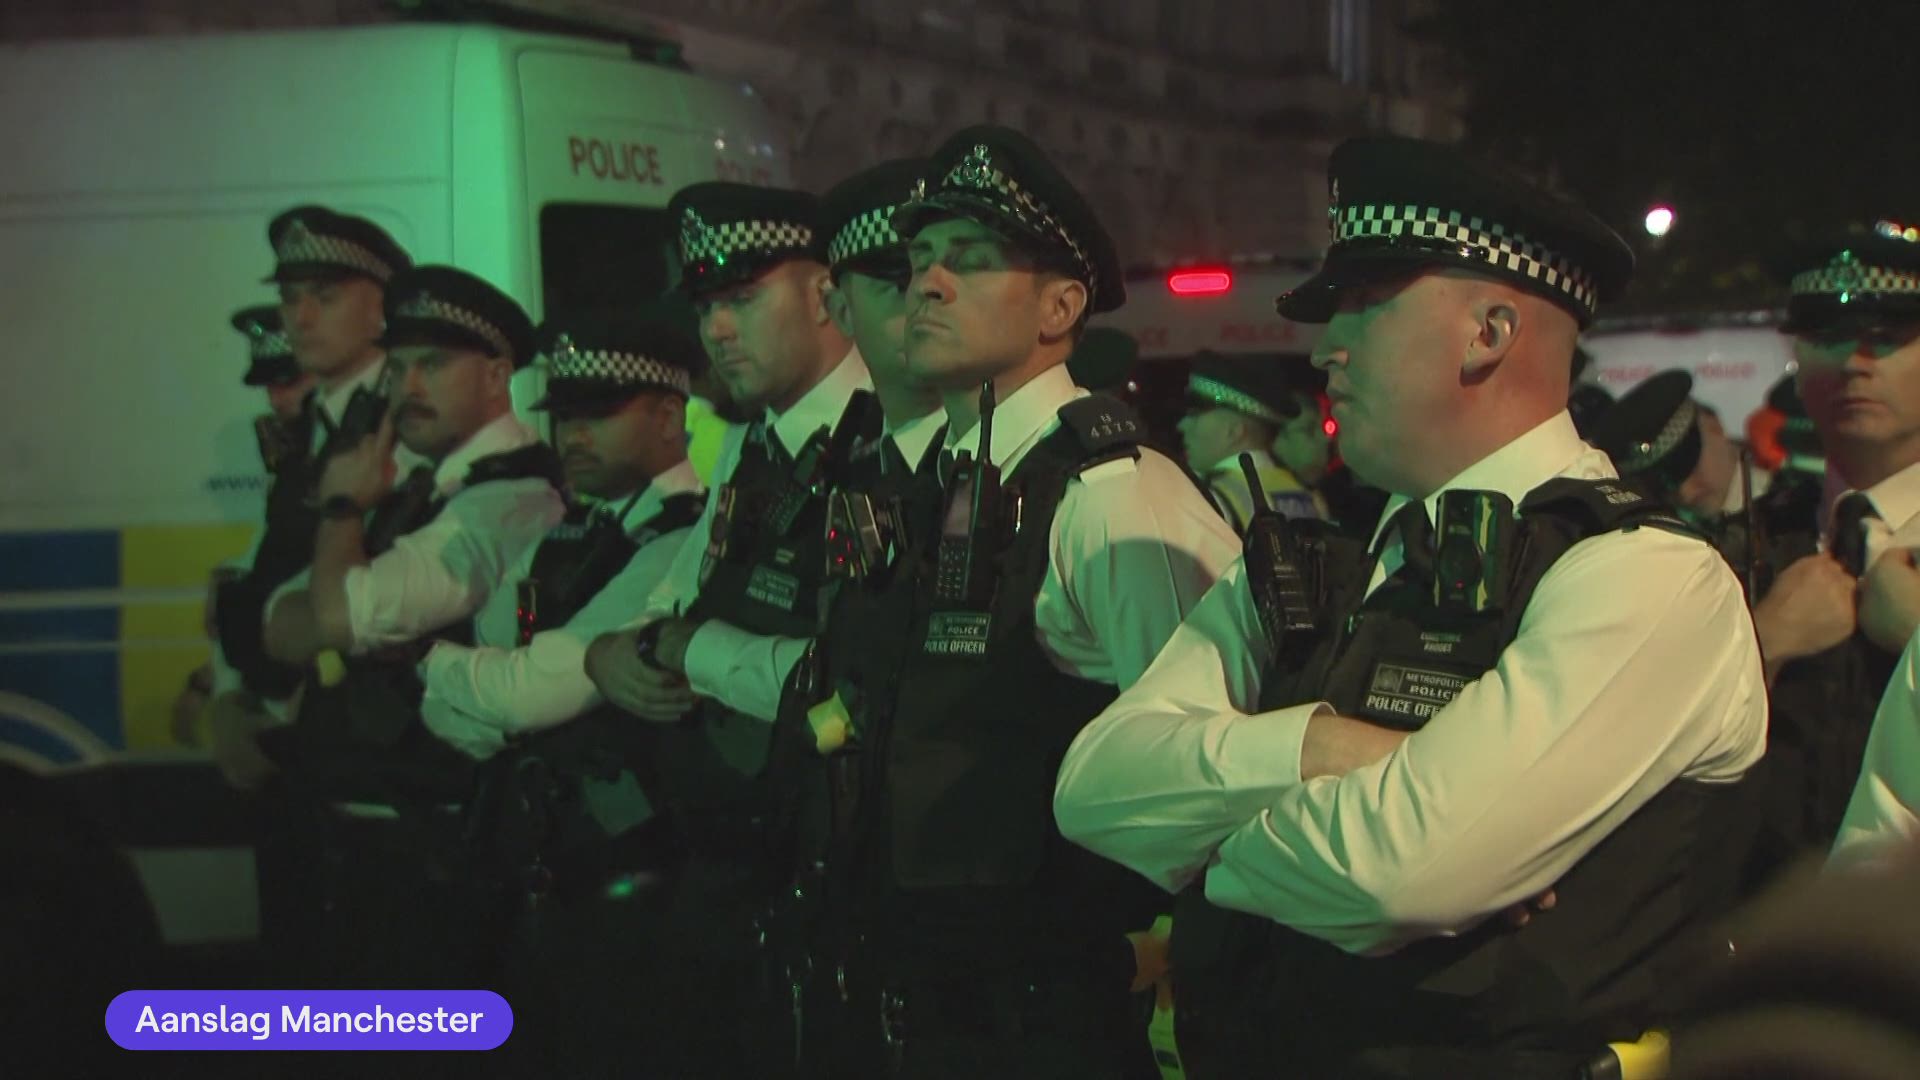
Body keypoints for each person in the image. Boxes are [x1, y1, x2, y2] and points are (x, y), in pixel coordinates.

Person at [1053, 135, 1767, 1078]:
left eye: (1364, 306)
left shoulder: (1644, 576)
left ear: (1490, 332)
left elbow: (1400, 876)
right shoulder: (1322, 564)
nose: (1325, 347)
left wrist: (1201, 856)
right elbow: (1095, 788)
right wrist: (1321, 747)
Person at [774, 125, 1240, 1079]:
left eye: (972, 260)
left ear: (1060, 307)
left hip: (1047, 1028)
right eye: (920, 259)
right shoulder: (947, 483)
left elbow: (1207, 772)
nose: (929, 284)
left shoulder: (1113, 496)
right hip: (906, 1011)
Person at [581, 180, 871, 1077]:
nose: (714, 329)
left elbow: (856, 682)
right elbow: (674, 598)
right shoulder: (756, 445)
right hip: (728, 863)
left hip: (832, 874)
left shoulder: (888, 440)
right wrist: (611, 651)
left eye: (742, 298)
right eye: (705, 305)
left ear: (824, 293)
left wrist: (682, 649)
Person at [258, 265, 565, 995]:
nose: (409, 388)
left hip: (434, 853)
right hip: (375, 841)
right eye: (397, 369)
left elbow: (335, 617)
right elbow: (283, 621)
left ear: (497, 374)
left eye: (433, 364)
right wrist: (334, 608)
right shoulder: (425, 488)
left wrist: (341, 513)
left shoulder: (509, 496)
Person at [414, 312, 706, 1076]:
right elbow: (475, 695)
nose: (572, 434)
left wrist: (429, 661)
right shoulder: (567, 534)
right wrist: (486, 689)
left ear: (668, 417)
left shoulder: (685, 538)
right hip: (536, 864)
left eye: (597, 414)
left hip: (631, 878)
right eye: (565, 415)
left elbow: (525, 696)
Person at [1748, 227, 1920, 880]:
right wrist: (1760, 645)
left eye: (1889, 336)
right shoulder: (1735, 542)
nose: (1855, 362)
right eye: (1829, 335)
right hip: (1754, 920)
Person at [209, 208, 412, 760]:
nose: (300, 316)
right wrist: (228, 695)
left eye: (324, 296)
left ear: (380, 308)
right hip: (297, 739)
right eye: (289, 297)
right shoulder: (310, 425)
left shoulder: (403, 423)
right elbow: (264, 563)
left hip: (367, 746)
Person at [1177, 351, 1326, 529]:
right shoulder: (1308, 497)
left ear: (1233, 431)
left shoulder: (1211, 500)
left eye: (1194, 415)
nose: (1182, 425)